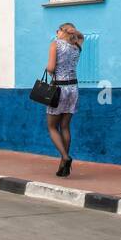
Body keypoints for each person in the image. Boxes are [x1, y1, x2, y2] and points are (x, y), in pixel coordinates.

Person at [45, 22, 83, 177]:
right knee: (65, 127)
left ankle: (66, 157)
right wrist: (74, 31)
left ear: (63, 31)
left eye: (58, 30)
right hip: (73, 88)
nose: (56, 32)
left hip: (58, 89)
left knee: (52, 127)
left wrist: (47, 68)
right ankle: (63, 165)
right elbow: (81, 36)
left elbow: (51, 68)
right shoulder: (77, 46)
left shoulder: (55, 44)